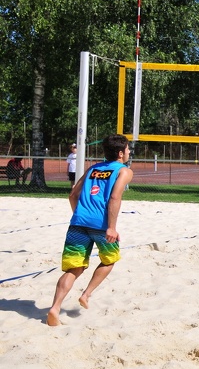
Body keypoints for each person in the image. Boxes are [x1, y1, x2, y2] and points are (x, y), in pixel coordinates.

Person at [47, 134, 134, 326]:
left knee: (74, 268)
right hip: (102, 226)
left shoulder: (93, 168)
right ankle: (86, 294)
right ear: (120, 153)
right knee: (110, 260)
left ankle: (55, 308)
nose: (129, 152)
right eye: (127, 149)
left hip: (78, 223)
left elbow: (72, 195)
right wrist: (111, 227)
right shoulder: (124, 171)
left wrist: (80, 217)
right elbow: (114, 198)